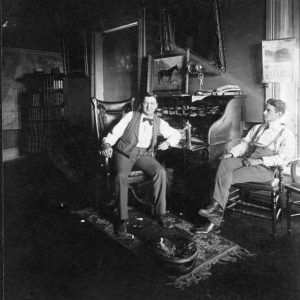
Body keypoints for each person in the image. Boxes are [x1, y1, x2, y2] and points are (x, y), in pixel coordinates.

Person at [195, 98, 295, 235]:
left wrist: (260, 160)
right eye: (265, 109)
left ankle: (213, 221)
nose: (264, 113)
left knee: (224, 178)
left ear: (278, 114)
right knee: (224, 163)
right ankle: (216, 208)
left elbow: (283, 158)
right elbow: (244, 145)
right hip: (248, 159)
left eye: (268, 110)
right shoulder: (257, 128)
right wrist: (231, 154)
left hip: (264, 169)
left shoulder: (286, 134)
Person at [101, 92, 181, 238]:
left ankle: (160, 213)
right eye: (145, 103)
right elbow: (114, 133)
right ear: (141, 104)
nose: (148, 106)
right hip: (124, 153)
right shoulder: (130, 116)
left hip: (143, 155)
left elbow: (176, 134)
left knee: (160, 172)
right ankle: (122, 218)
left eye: (152, 103)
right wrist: (106, 144)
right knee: (121, 176)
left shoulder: (159, 121)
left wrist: (168, 143)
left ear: (156, 106)